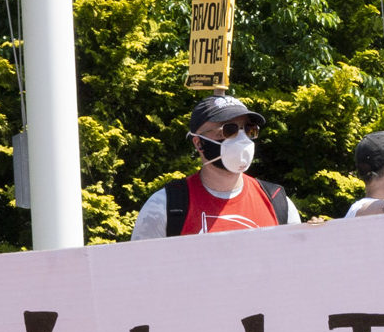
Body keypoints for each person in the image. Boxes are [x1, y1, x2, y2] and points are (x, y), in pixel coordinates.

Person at [130, 94, 304, 239]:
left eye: (249, 129)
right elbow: (139, 274)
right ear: (198, 143)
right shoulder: (165, 206)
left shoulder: (278, 203)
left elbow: (295, 269)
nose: (242, 138)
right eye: (229, 130)